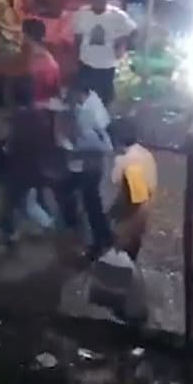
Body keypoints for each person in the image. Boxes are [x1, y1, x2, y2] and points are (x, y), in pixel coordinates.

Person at [0, 76, 65, 245]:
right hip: (37, 166)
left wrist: (5, 150)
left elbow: (11, 146)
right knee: (28, 201)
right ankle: (43, 224)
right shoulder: (39, 114)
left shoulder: (19, 119)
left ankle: (14, 232)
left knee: (16, 202)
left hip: (22, 169)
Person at [55, 75, 114, 260]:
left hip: (89, 164)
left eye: (71, 93)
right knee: (82, 196)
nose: (68, 96)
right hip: (90, 162)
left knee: (91, 203)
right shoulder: (92, 101)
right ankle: (101, 234)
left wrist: (70, 146)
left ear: (80, 92)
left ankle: (99, 241)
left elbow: (89, 141)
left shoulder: (88, 111)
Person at [73, 0, 136, 106]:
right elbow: (77, 36)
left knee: (105, 97)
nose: (99, 5)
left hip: (107, 64)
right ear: (91, 0)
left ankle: (104, 119)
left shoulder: (117, 15)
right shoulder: (81, 13)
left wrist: (122, 46)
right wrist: (75, 55)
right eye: (96, 1)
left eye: (103, 2)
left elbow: (133, 31)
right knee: (83, 95)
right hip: (86, 61)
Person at [109, 120, 157, 261]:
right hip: (139, 217)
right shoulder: (144, 153)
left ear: (116, 139)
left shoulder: (130, 162)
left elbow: (138, 199)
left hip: (131, 221)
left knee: (124, 260)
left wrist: (125, 230)